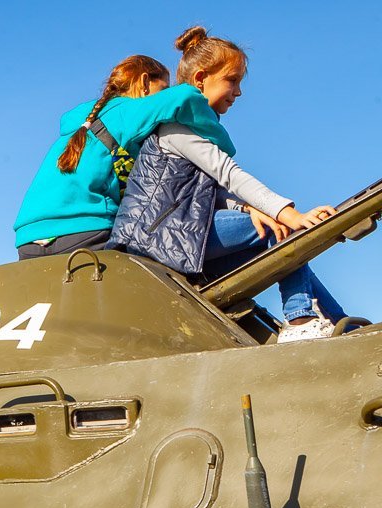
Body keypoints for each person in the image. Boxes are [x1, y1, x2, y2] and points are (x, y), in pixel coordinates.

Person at [107, 27, 345, 341]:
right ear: (201, 78)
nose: (239, 92)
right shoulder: (176, 127)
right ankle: (301, 321)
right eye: (232, 80)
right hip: (155, 237)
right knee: (283, 229)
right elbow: (228, 174)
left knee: (284, 247)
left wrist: (250, 209)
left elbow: (207, 193)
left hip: (179, 231)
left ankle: (345, 326)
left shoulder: (196, 127)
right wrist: (290, 214)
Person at [14, 55, 235, 259]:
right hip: (85, 233)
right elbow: (185, 96)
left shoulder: (82, 122)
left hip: (28, 242)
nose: (164, 94)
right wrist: (221, 145)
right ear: (145, 83)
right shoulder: (128, 110)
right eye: (163, 89)